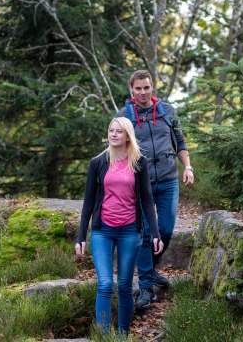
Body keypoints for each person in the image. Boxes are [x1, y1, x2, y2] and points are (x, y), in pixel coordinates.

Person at [76, 117, 164, 335]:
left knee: (125, 287)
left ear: (127, 135)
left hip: (129, 232)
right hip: (102, 231)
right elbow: (88, 202)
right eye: (111, 130)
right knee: (105, 285)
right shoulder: (98, 162)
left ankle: (123, 336)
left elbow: (146, 198)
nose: (113, 134)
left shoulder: (139, 162)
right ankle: (104, 338)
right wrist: (81, 237)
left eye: (118, 131)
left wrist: (155, 233)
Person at [115, 69, 194, 311]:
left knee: (167, 230)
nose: (142, 92)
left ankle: (150, 270)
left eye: (146, 88)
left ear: (152, 87)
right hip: (141, 185)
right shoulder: (123, 116)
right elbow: (117, 149)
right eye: (137, 88)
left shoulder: (168, 112)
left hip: (169, 180)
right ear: (131, 90)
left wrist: (188, 168)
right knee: (147, 234)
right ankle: (146, 287)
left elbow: (179, 142)